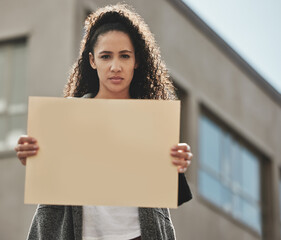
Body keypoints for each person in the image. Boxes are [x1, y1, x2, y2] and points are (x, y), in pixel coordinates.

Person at [15, 4, 193, 240]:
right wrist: (34, 156)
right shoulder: (64, 119)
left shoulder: (153, 122)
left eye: (125, 56)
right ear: (92, 60)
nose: (115, 66)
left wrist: (176, 165)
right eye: (106, 56)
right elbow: (52, 178)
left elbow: (173, 195)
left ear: (136, 61)